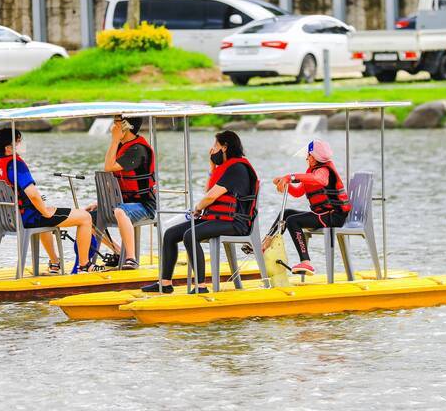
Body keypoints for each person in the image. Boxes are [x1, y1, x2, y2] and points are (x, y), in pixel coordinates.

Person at [141, 130, 259, 294]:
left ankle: (201, 286)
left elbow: (210, 197)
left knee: (190, 234)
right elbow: (208, 190)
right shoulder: (225, 168)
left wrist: (197, 208)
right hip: (218, 218)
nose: (212, 150)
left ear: (224, 147)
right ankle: (165, 283)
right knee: (170, 234)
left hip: (234, 222)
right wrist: (212, 168)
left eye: (215, 145)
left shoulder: (237, 168)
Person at [0, 128, 97, 274]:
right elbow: (33, 195)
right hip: (28, 219)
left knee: (44, 212)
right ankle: (84, 265)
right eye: (18, 141)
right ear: (8, 148)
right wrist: (45, 212)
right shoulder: (16, 164)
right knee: (85, 217)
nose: (21, 143)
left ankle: (55, 264)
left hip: (8, 220)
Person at [265, 139, 351, 275]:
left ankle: (306, 262)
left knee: (293, 220)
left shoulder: (323, 170)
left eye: (309, 155)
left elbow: (321, 180)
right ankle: (266, 243)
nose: (306, 158)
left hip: (334, 216)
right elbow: (298, 192)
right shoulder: (312, 172)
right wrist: (285, 183)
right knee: (286, 213)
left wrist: (290, 177)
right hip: (323, 215)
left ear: (315, 156)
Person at [85, 117, 156, 270]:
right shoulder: (121, 147)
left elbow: (108, 167)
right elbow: (113, 180)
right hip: (122, 202)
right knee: (87, 218)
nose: (112, 126)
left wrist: (114, 140)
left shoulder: (138, 150)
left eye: (116, 123)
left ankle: (131, 258)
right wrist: (101, 203)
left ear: (126, 127)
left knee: (120, 211)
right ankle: (117, 251)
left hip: (144, 205)